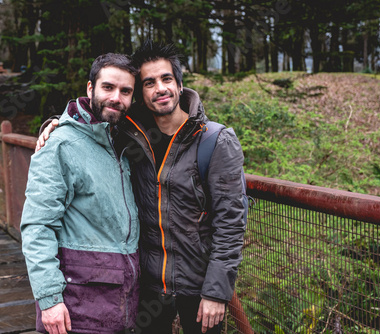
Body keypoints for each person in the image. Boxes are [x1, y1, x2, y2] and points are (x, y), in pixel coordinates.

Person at [37, 41, 246, 334]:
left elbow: (231, 223)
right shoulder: (129, 133)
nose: (160, 88)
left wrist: (216, 291)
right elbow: (93, 117)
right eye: (149, 83)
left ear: (180, 84)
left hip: (199, 287)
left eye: (166, 79)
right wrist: (57, 123)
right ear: (141, 94)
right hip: (146, 288)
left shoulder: (214, 140)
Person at [21, 53, 140, 334]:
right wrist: (49, 300)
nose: (116, 98)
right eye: (108, 87)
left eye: (125, 91)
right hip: (78, 309)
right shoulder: (60, 146)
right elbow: (37, 226)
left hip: (121, 305)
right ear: (90, 88)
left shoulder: (123, 138)